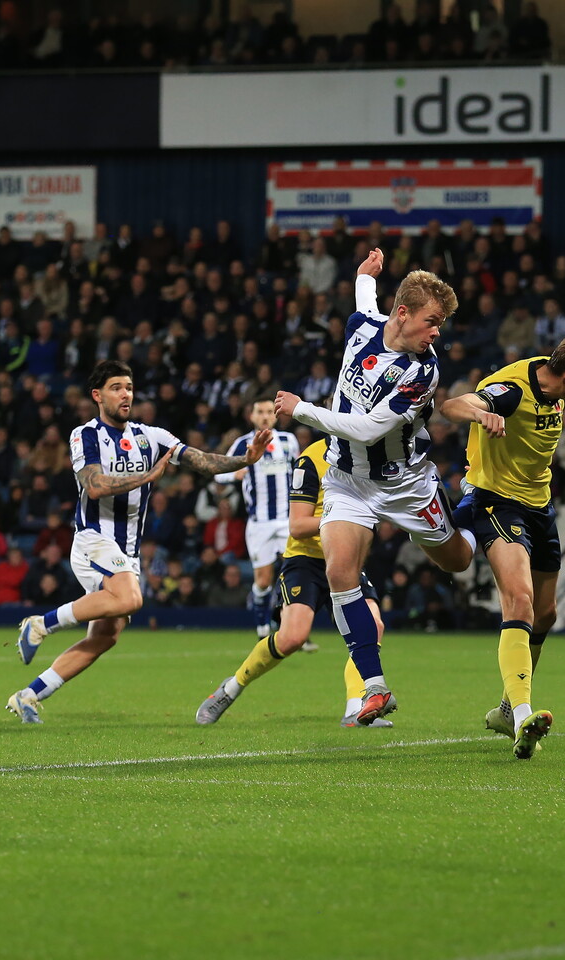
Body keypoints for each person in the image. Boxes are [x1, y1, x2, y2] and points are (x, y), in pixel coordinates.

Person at [5, 359, 273, 724]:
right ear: (98, 396)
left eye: (129, 387)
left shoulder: (152, 436)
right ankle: (40, 623)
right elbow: (95, 485)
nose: (125, 394)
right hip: (93, 539)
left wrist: (246, 458)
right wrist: (149, 476)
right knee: (132, 597)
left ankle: (29, 696)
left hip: (127, 551)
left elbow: (202, 461)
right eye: (116, 387)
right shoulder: (84, 435)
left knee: (106, 637)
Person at [275, 249, 476, 726]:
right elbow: (366, 298)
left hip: (404, 484)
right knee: (341, 571)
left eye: (441, 324)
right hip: (347, 481)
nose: (437, 332)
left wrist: (302, 409)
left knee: (459, 561)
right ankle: (375, 687)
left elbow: (365, 430)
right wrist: (364, 274)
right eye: (432, 321)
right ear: (401, 313)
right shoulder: (365, 325)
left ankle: (474, 501)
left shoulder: (422, 372)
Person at [440, 329, 565, 758]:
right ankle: (522, 717)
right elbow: (453, 405)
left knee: (545, 614)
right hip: (496, 502)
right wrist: (481, 415)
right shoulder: (513, 390)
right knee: (520, 601)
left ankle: (503, 708)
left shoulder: (553, 384)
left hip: (538, 505)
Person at [196, 438, 392, 728]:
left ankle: (355, 707)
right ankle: (230, 688)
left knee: (373, 625)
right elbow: (298, 527)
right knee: (292, 638)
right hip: (306, 560)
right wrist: (343, 516)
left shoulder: (373, 457)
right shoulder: (311, 459)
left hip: (345, 556)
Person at [215, 399, 303, 640]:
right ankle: (262, 627)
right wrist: (235, 472)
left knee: (295, 574)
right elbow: (219, 474)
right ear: (251, 416)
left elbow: (301, 470)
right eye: (259, 412)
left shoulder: (288, 441)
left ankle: (291, 627)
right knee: (263, 581)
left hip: (287, 521)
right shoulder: (243, 444)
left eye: (268, 412)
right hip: (259, 522)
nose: (264, 416)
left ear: (275, 416)